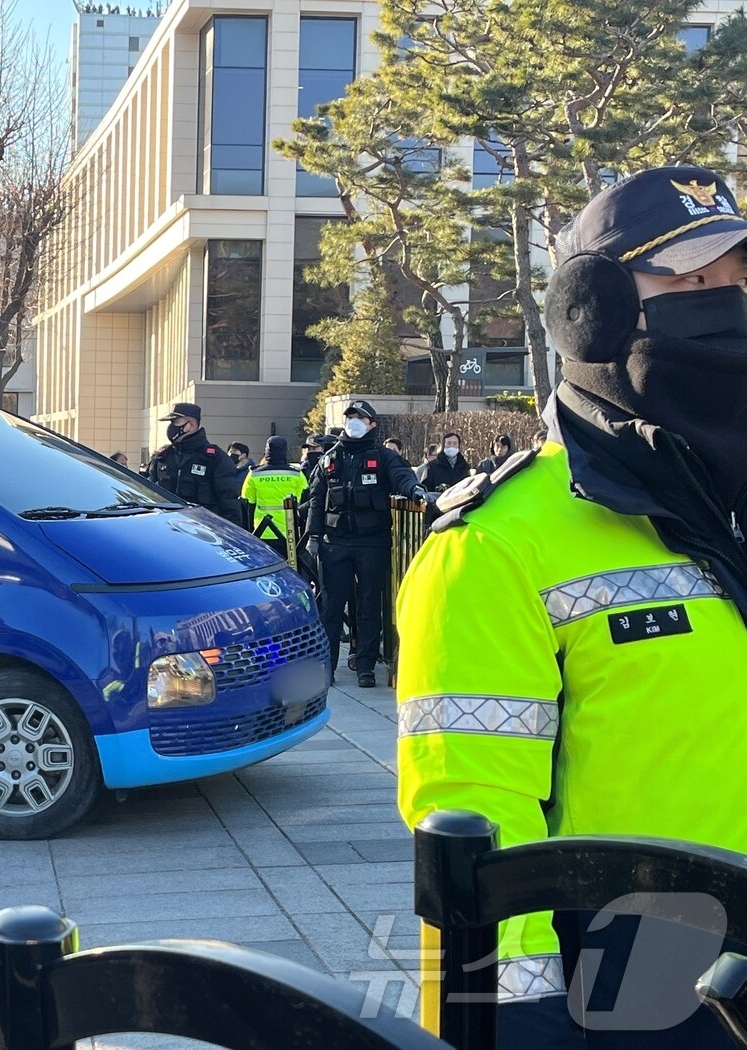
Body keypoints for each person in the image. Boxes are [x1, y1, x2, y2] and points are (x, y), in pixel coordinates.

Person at [396, 165, 747, 1048]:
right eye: (694, 282)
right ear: (591, 311)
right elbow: (475, 833)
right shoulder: (495, 544)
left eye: (739, 282)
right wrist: (517, 1025)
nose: (727, 305)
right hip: (646, 983)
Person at [305, 400, 433, 688]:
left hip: (371, 542)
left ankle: (365, 666)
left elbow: (401, 477)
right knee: (331, 607)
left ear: (372, 424)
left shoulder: (383, 456)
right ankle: (327, 668)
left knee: (368, 605)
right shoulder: (330, 457)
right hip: (335, 542)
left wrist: (414, 490)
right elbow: (316, 498)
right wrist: (313, 537)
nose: (354, 422)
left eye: (361, 418)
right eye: (350, 417)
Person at [145, 402, 242, 525]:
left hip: (203, 532)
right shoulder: (162, 457)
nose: (171, 427)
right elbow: (148, 495)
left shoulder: (214, 459)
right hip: (166, 530)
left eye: (175, 422)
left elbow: (229, 502)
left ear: (191, 424)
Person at [241, 436, 307, 557]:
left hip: (262, 531)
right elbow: (303, 501)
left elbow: (247, 501)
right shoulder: (297, 474)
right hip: (289, 533)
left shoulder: (254, 474)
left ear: (266, 451)